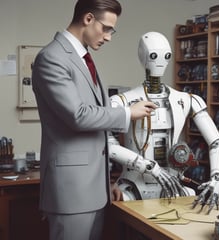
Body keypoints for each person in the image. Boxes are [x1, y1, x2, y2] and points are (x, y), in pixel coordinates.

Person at [32, 1, 156, 240]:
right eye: (107, 28)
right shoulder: (52, 58)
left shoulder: (84, 57)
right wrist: (128, 113)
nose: (108, 37)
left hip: (93, 190)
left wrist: (104, 184)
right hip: (70, 192)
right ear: (88, 19)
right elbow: (78, 116)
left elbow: (96, 128)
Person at [108, 32, 219, 214]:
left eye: (166, 56)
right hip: (134, 186)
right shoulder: (122, 101)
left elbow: (217, 143)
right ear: (144, 56)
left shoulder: (186, 99)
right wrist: (148, 166)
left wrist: (216, 179)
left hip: (174, 186)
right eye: (154, 56)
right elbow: (108, 144)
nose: (161, 61)